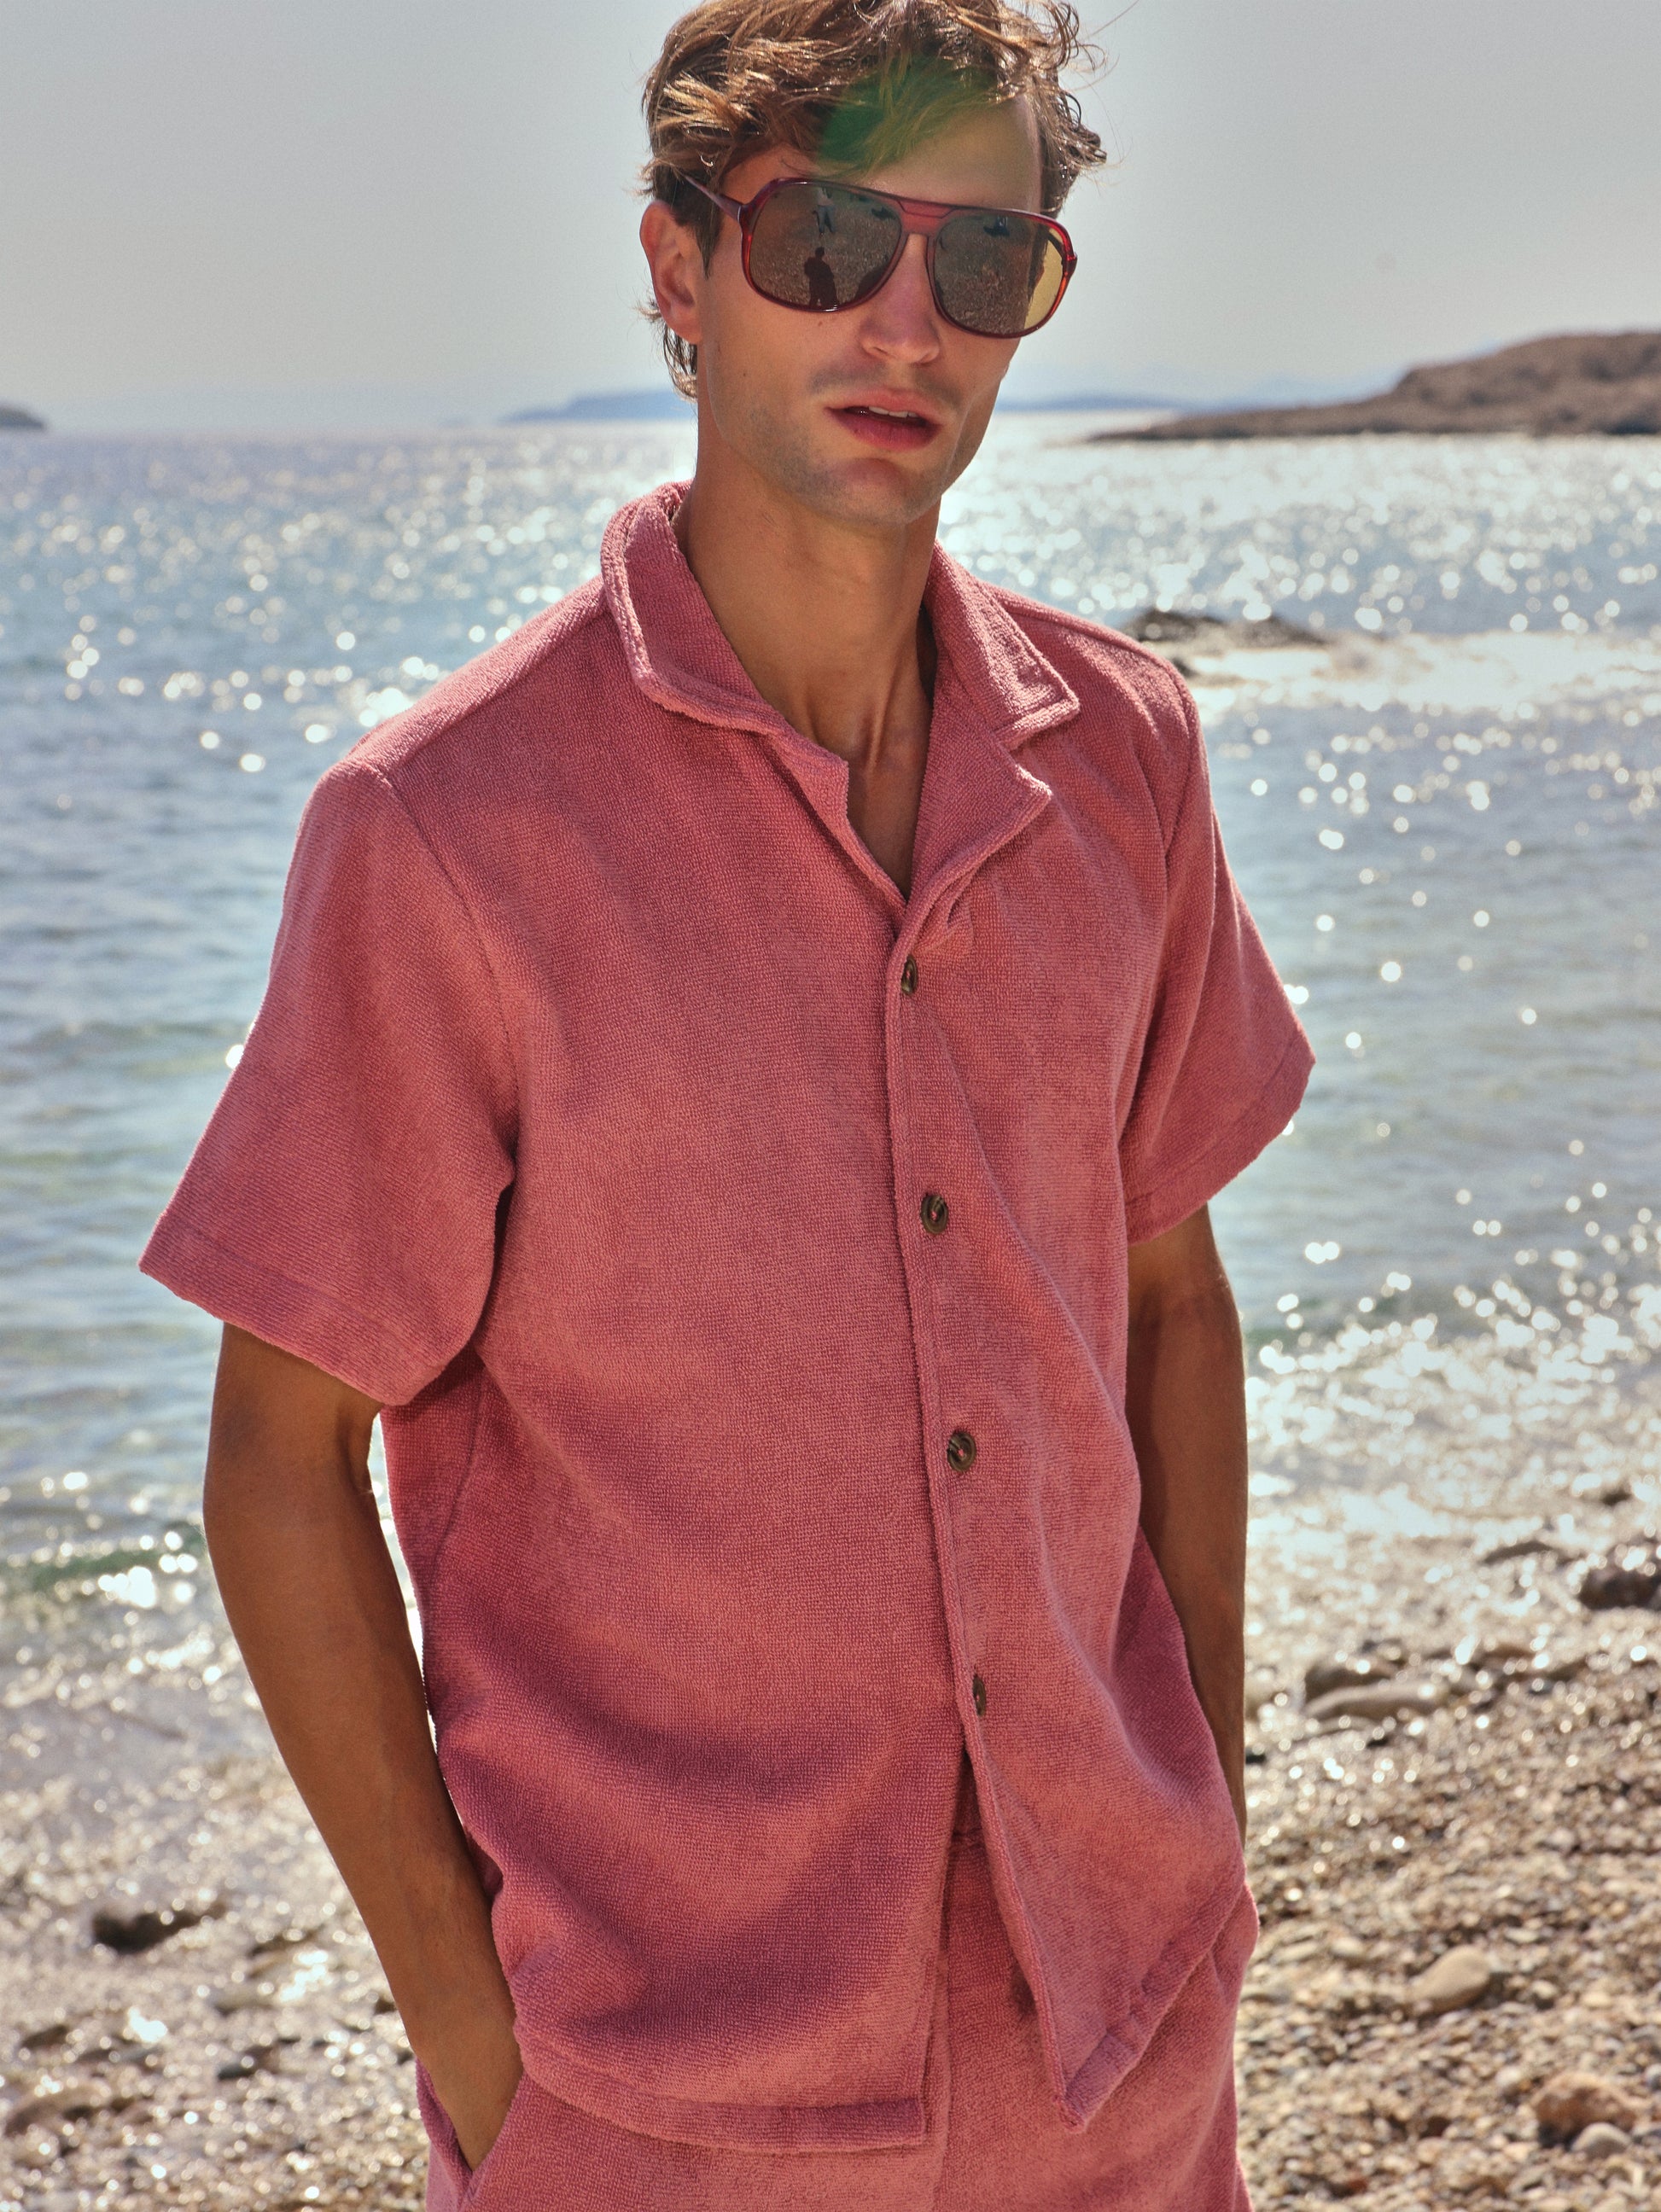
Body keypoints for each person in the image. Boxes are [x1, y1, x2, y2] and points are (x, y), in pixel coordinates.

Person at [141, 2, 1314, 2205]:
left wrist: (1201, 1810)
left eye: (981, 260)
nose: (904, 322)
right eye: (826, 240)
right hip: (660, 2103)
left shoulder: (1127, 758)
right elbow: (278, 1460)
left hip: (1118, 2048)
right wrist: (483, 2046)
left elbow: (1168, 1305)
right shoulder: (444, 834)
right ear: (678, 276)